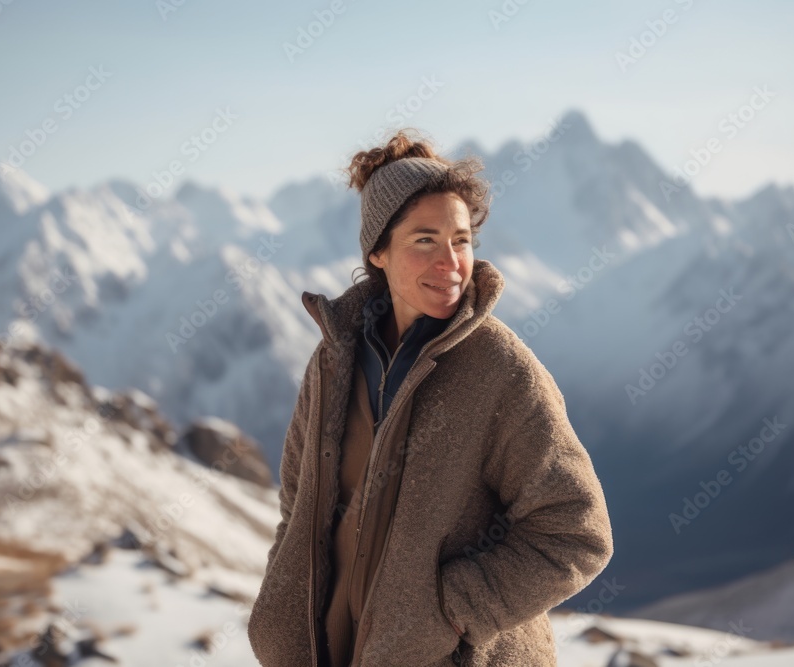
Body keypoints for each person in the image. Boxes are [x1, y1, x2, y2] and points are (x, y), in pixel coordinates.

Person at [247, 128, 614, 667]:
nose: (451, 264)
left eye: (461, 241)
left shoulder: (501, 370)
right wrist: (283, 612)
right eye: (425, 240)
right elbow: (297, 505)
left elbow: (576, 531)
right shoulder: (332, 363)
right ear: (378, 252)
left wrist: (449, 612)